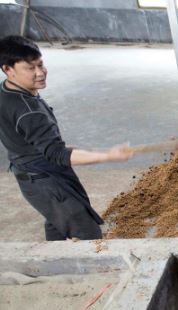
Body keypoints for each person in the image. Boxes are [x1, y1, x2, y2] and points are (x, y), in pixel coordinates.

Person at [0, 35, 133, 241]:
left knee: (57, 223)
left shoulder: (6, 91)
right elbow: (57, 154)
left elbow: (28, 139)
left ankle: (54, 261)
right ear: (7, 69)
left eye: (41, 64)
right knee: (87, 235)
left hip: (31, 177)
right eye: (30, 68)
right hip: (47, 182)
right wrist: (108, 156)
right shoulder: (29, 112)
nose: (40, 73)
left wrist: (89, 151)